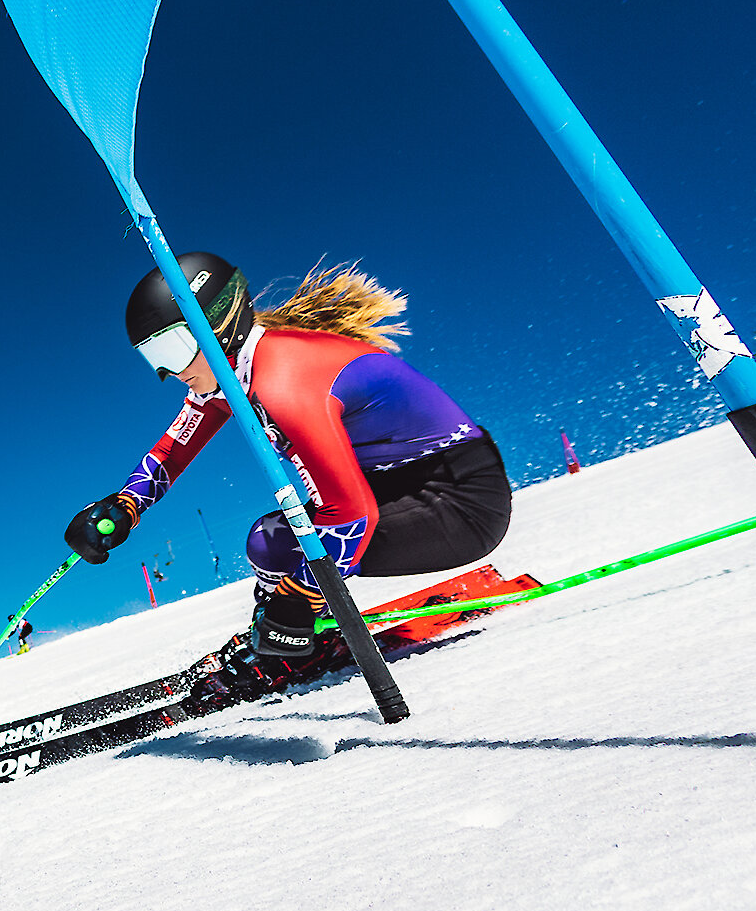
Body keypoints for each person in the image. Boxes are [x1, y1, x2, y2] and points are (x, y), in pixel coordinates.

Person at [63, 252, 511, 710]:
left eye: (171, 350)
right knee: (272, 541)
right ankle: (280, 632)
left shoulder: (283, 378)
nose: (166, 372)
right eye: (151, 357)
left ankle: (289, 638)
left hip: (462, 502)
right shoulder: (234, 373)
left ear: (217, 325)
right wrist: (126, 504)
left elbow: (352, 514)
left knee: (277, 544)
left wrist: (294, 604)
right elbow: (172, 450)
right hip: (396, 487)